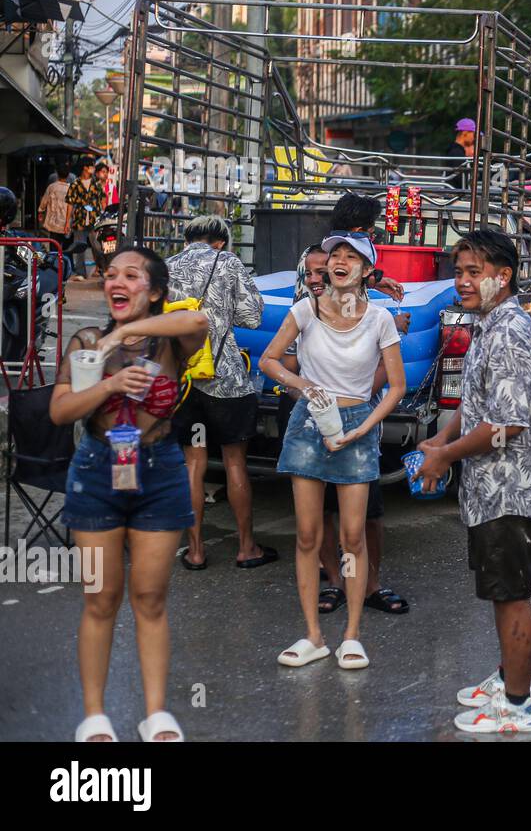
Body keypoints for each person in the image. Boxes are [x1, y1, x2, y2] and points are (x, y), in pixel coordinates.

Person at [50, 248, 211, 742]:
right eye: (111, 275)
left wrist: (125, 334)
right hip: (98, 471)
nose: (115, 282)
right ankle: (95, 715)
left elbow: (199, 318)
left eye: (131, 275)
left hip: (159, 471)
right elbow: (60, 412)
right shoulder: (85, 342)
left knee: (151, 597)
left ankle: (156, 712)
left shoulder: (173, 345)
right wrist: (111, 380)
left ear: (156, 291)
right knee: (101, 598)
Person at [415, 230, 531, 734]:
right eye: (459, 272)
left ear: (503, 276)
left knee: (513, 595)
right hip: (489, 487)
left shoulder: (510, 332)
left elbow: (508, 424)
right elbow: (478, 405)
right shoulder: (488, 325)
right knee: (502, 592)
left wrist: (445, 456)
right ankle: (507, 680)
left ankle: (519, 705)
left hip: (511, 489)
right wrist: (440, 440)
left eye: (474, 272)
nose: (463, 282)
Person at [260, 232, 406, 671]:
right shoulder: (304, 310)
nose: (340, 261)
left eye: (351, 256)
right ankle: (312, 636)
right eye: (334, 255)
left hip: (357, 425)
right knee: (307, 536)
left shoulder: (379, 318)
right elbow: (269, 360)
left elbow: (396, 386)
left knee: (353, 536)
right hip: (308, 423)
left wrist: (363, 427)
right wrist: (303, 386)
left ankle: (352, 636)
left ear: (367, 271)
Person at [165, 216, 273, 570]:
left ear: (187, 240)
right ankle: (246, 548)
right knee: (234, 462)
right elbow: (252, 317)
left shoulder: (166, 267)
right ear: (221, 241)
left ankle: (195, 551)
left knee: (193, 464)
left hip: (184, 381)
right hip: (225, 380)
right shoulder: (227, 262)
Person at [66, 159, 105, 278]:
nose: (93, 169)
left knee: (98, 246)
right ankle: (80, 273)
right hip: (79, 219)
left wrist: (102, 213)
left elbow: (102, 199)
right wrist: (67, 221)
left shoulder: (96, 184)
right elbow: (70, 203)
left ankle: (103, 268)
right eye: (91, 166)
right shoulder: (75, 184)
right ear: (85, 168)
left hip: (94, 219)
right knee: (79, 248)